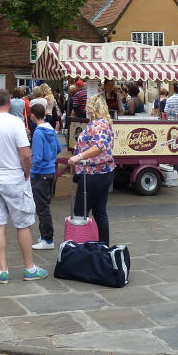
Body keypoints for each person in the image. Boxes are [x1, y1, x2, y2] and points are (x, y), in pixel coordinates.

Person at [0, 87, 48, 284]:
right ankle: (29, 268)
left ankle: (3, 270)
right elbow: (25, 153)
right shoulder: (15, 122)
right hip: (14, 177)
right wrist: (27, 171)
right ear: (9, 103)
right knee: (23, 224)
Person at [67, 93, 115, 245]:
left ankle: (81, 248)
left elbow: (98, 147)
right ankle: (103, 247)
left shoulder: (97, 125)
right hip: (104, 172)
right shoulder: (105, 123)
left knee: (80, 213)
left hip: (93, 174)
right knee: (100, 212)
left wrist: (79, 156)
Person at [29, 103, 61, 251]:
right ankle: (45, 237)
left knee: (42, 208)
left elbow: (37, 157)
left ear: (34, 116)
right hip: (51, 171)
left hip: (40, 173)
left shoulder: (38, 133)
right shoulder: (51, 130)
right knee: (45, 206)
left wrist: (33, 173)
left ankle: (48, 239)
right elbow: (59, 148)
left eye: (30, 114)